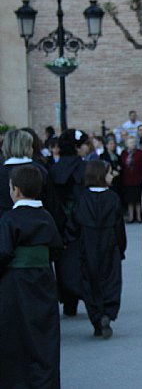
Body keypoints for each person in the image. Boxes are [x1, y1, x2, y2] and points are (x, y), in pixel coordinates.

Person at [0, 164, 63, 389]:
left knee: (15, 337)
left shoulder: (9, 219)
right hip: (43, 282)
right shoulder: (46, 217)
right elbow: (56, 248)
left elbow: (4, 251)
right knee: (43, 335)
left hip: (15, 286)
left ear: (15, 190)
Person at [69, 160, 126, 339]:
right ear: (101, 175)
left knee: (90, 281)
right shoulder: (113, 198)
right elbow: (119, 226)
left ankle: (96, 317)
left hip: (88, 244)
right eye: (109, 173)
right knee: (111, 280)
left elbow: (74, 224)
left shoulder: (82, 198)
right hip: (109, 244)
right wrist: (121, 247)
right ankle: (108, 313)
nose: (112, 176)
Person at [50, 128, 89, 316]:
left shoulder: (54, 168)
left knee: (64, 263)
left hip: (60, 222)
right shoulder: (82, 167)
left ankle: (68, 302)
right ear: (76, 147)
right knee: (83, 262)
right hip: (79, 222)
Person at [120, 136, 142, 223]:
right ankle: (131, 216)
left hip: (138, 179)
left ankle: (138, 217)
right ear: (127, 144)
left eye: (134, 142)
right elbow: (122, 165)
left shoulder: (139, 153)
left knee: (138, 199)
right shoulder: (124, 153)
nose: (133, 144)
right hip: (128, 179)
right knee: (130, 199)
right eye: (131, 142)